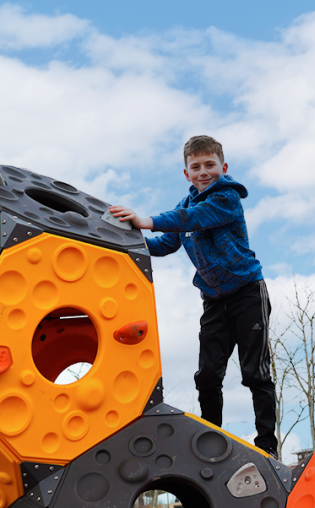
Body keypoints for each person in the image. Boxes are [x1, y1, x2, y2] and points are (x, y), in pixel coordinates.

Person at [110, 135, 278, 457]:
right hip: (215, 300)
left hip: (246, 293)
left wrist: (147, 221)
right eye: (196, 166)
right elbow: (166, 243)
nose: (204, 172)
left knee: (254, 372)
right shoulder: (185, 204)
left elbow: (192, 220)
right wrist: (130, 243)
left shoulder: (226, 198)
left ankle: (267, 446)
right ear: (186, 173)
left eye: (210, 165)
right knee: (207, 376)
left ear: (223, 167)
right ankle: (213, 443)